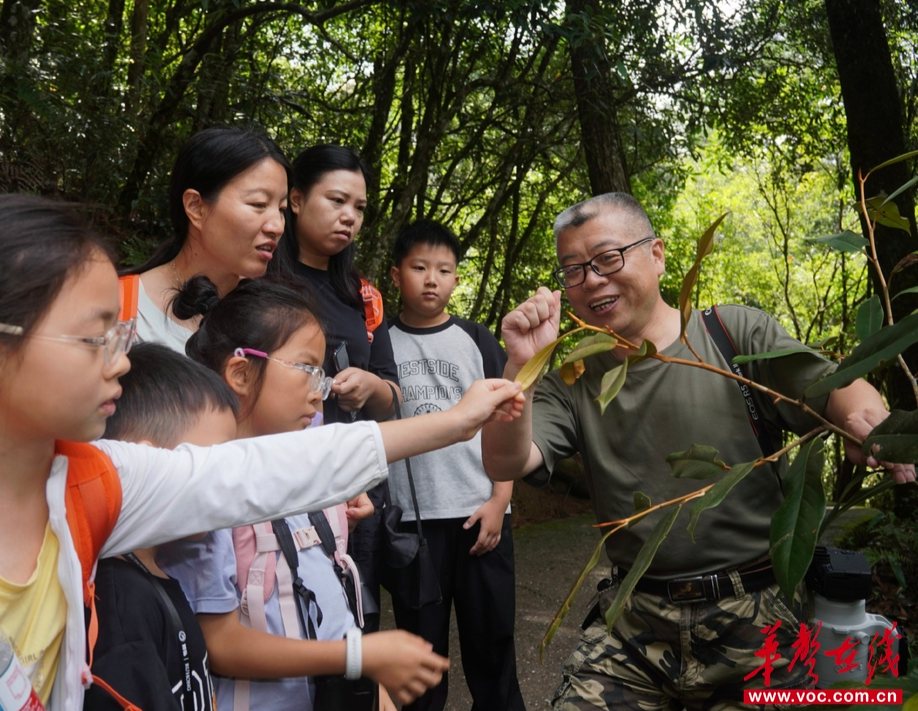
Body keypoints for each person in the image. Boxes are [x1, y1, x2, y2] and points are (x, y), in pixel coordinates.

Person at [0, 194, 524, 711]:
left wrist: (456, 422)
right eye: (95, 337)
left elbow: (261, 471)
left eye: (122, 331)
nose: (121, 361)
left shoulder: (94, 486)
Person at [480, 192, 917, 711]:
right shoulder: (572, 378)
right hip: (635, 625)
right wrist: (521, 370)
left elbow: (836, 387)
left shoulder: (731, 335)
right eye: (573, 270)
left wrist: (871, 425)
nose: (592, 279)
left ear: (658, 254)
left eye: (607, 258)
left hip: (758, 616)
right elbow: (507, 461)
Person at [161, 275, 451, 711]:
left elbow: (331, 595)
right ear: (241, 371)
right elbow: (219, 643)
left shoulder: (311, 474)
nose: (321, 392)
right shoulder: (207, 493)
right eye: (307, 370)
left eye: (323, 373)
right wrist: (357, 657)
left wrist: (376, 691)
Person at [386, 220, 524, 711]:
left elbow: (508, 417)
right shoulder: (379, 344)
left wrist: (500, 500)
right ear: (396, 272)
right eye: (419, 267)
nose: (431, 279)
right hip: (413, 526)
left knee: (492, 646)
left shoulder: (476, 338)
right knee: (421, 656)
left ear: (456, 279)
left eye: (444, 270)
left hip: (480, 516)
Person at [269, 144, 397, 633]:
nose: (349, 217)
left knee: (353, 624)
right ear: (296, 201)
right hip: (283, 483)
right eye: (337, 201)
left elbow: (394, 399)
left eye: (359, 208)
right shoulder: (260, 281)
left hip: (355, 488)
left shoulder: (363, 297)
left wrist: (371, 387)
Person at [84, 342, 238, 711]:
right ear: (147, 461)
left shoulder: (153, 574)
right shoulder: (121, 604)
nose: (228, 482)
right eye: (211, 464)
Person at [128, 127, 292, 349]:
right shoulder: (124, 308)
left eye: (282, 209)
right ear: (196, 207)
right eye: (258, 204)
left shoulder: (279, 317)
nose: (277, 226)